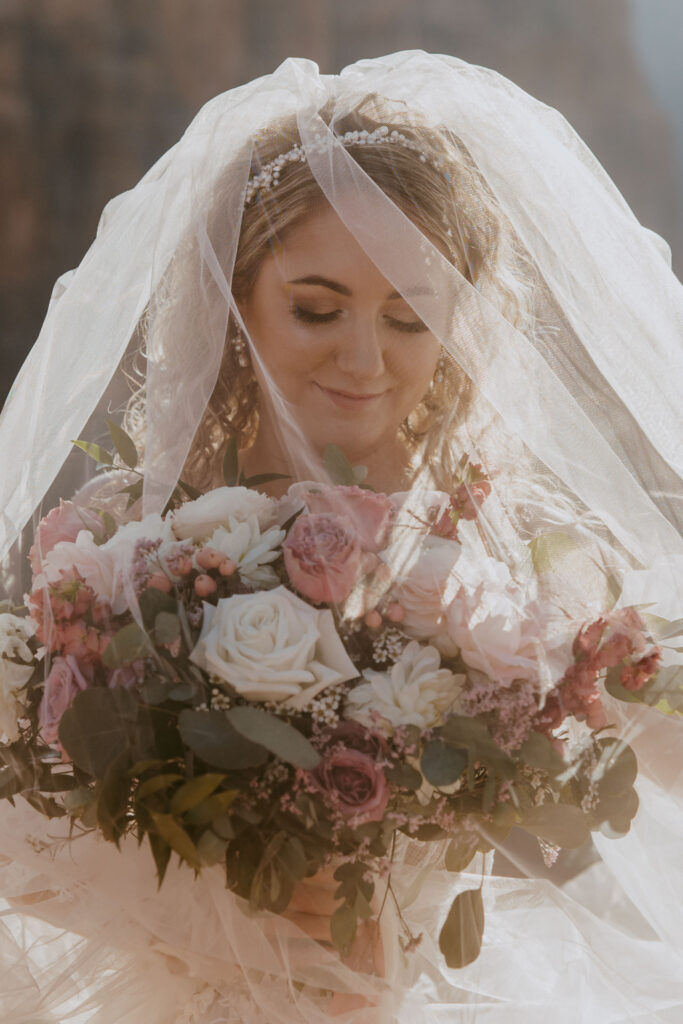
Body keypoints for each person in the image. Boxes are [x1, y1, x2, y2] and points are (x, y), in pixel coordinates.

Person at [0, 51, 681, 1023]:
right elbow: (19, 834)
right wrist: (193, 913)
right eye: (316, 307)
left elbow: (639, 761)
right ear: (235, 295)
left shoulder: (518, 547)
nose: (363, 360)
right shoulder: (124, 535)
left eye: (409, 319)